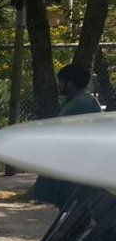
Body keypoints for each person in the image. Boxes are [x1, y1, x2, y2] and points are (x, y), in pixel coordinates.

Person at [34, 63, 103, 208]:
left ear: (70, 83)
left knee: (70, 206)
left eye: (61, 81)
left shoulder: (80, 104)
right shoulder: (84, 101)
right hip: (79, 165)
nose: (59, 85)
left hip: (76, 168)